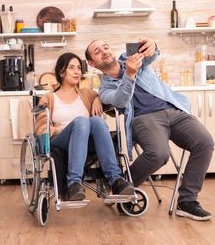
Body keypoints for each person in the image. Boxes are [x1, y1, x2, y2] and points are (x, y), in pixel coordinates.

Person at [85, 39, 214, 220]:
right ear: (92, 63)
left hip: (174, 109)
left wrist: (152, 44)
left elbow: (151, 55)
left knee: (205, 142)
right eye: (97, 51)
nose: (104, 51)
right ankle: (122, 188)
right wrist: (129, 74)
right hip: (144, 118)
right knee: (159, 154)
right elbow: (121, 100)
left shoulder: (130, 58)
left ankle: (187, 201)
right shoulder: (106, 89)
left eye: (106, 47)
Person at [35, 52, 134, 201]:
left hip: (86, 142)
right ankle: (74, 182)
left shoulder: (87, 94)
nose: (77, 71)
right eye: (71, 68)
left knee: (97, 121)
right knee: (82, 121)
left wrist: (98, 99)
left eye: (79, 68)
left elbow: (113, 104)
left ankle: (116, 180)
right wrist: (58, 129)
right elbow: (41, 129)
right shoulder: (49, 97)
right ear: (61, 72)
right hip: (60, 141)